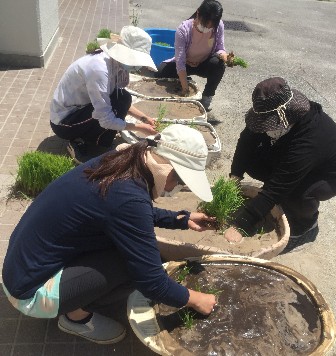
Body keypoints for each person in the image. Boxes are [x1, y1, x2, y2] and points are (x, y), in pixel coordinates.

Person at [2, 124, 217, 345]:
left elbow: (128, 213)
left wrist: (181, 219)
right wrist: (197, 299)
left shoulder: (123, 159)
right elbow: (152, 281)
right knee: (132, 265)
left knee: (130, 247)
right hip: (29, 292)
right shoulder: (128, 195)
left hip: (21, 267)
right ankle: (76, 318)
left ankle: (75, 299)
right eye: (181, 181)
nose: (177, 187)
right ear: (170, 168)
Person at [224, 77, 336, 253]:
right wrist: (235, 175)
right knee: (253, 161)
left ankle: (304, 229)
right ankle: (272, 204)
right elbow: (247, 140)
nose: (264, 128)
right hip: (295, 161)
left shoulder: (310, 138)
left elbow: (279, 186)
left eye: (268, 124)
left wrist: (241, 224)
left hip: (328, 175)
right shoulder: (273, 112)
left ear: (284, 116)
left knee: (297, 193)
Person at [50, 26, 158, 157]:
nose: (138, 67)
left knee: (123, 98)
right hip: (64, 122)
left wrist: (144, 118)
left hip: (81, 110)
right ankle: (80, 141)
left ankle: (98, 139)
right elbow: (105, 119)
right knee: (112, 112)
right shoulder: (99, 69)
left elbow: (120, 100)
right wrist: (139, 127)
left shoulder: (114, 63)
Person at [156, 0, 229, 111]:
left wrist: (224, 56)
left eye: (210, 27)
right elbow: (180, 62)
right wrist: (186, 89)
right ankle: (186, 80)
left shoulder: (219, 26)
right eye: (204, 25)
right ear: (198, 13)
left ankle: (206, 98)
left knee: (219, 64)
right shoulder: (183, 29)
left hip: (204, 64)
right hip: (186, 64)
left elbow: (220, 48)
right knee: (161, 72)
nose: (206, 29)